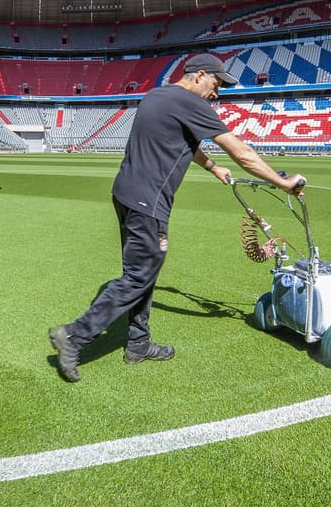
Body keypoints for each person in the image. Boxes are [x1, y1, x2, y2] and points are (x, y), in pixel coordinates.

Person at [48, 52, 306, 382]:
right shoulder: (193, 103)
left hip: (125, 193)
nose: (217, 93)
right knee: (139, 277)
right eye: (216, 83)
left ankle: (138, 344)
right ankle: (74, 336)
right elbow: (241, 152)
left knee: (143, 271)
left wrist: (212, 167)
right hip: (148, 202)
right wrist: (283, 183)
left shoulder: (157, 95)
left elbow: (181, 141)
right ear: (199, 76)